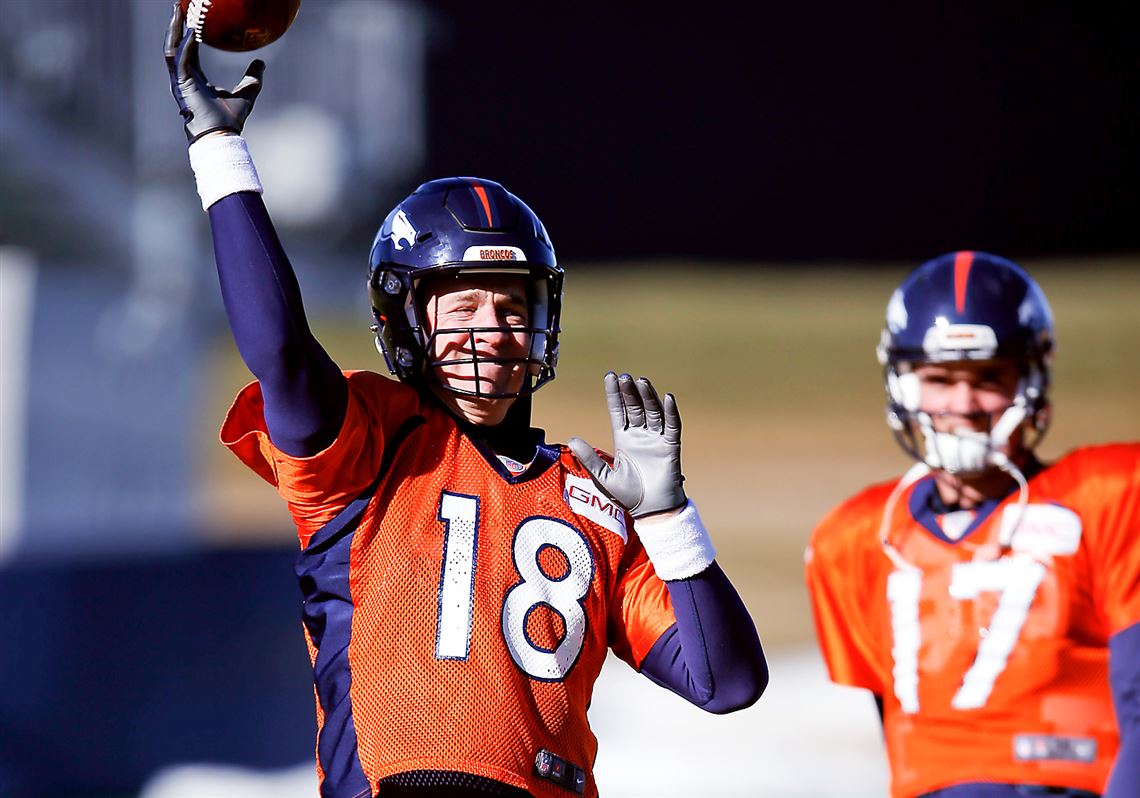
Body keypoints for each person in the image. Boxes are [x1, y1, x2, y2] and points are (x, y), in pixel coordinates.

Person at [164, 8, 767, 798]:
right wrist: (219, 152)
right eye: (465, 305)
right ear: (402, 320)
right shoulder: (371, 445)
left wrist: (667, 518)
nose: (494, 331)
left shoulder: (595, 497)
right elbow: (279, 352)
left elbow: (725, 682)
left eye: (513, 308)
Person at [805, 251, 1139, 798]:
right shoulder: (858, 537)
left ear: (1030, 379)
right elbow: (897, 736)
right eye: (939, 378)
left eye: (989, 377)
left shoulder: (1107, 498)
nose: (964, 403)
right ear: (903, 385)